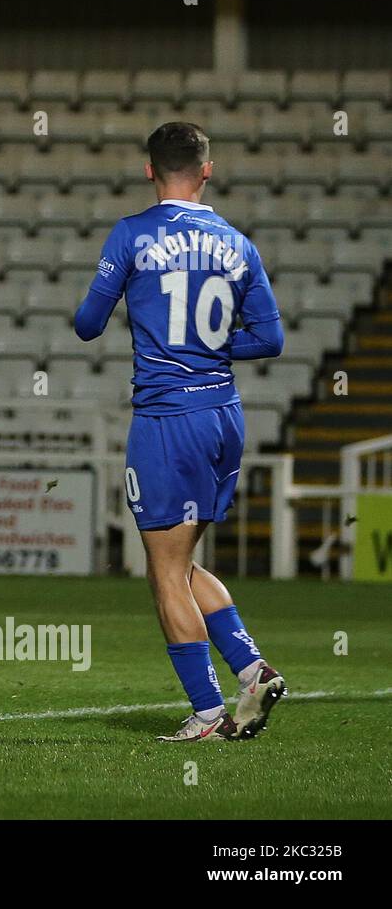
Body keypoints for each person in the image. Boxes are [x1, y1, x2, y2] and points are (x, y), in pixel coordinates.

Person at [73, 122, 287, 741]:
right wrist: (213, 345)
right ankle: (253, 671)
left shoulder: (132, 234)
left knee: (164, 571)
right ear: (208, 170)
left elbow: (88, 324)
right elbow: (271, 339)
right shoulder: (238, 244)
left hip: (168, 419)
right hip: (223, 415)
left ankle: (207, 711)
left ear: (149, 171)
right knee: (181, 561)